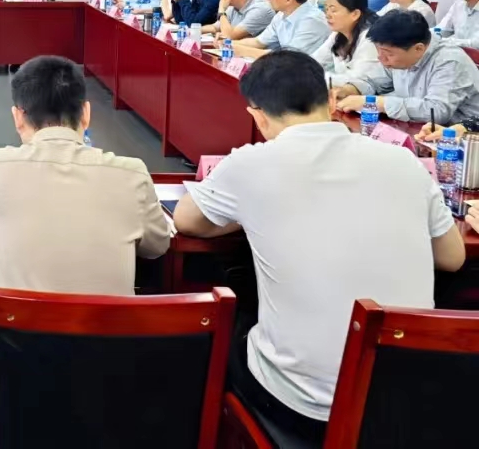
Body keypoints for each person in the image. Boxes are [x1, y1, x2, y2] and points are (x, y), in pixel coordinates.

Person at [173, 51, 464, 441]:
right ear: (330, 100)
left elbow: (187, 221)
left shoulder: (250, 165)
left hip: (304, 407)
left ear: (257, 116)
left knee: (227, 326)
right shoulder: (403, 161)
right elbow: (452, 258)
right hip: (405, 395)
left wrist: (248, 210)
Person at [0, 55, 171, 294]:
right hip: (109, 320)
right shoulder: (132, 174)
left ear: (18, 117)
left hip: (18, 320)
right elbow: (157, 246)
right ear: (86, 113)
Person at [335, 10, 479, 124]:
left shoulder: (449, 61)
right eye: (378, 50)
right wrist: (350, 89)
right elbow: (373, 80)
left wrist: (376, 103)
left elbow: (436, 111)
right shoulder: (397, 55)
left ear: (418, 48)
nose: (381, 58)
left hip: (461, 138)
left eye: (388, 53)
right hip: (417, 129)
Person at [312, 0, 392, 96]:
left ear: (355, 14)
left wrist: (314, 77)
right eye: (326, 9)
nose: (327, 15)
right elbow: (314, 61)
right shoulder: (337, 34)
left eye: (333, 10)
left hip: (374, 100)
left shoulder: (370, 38)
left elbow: (358, 81)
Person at [233, 0, 329, 59]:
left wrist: (243, 51)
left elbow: (288, 58)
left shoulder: (312, 21)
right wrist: (229, 44)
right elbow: (259, 41)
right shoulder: (281, 15)